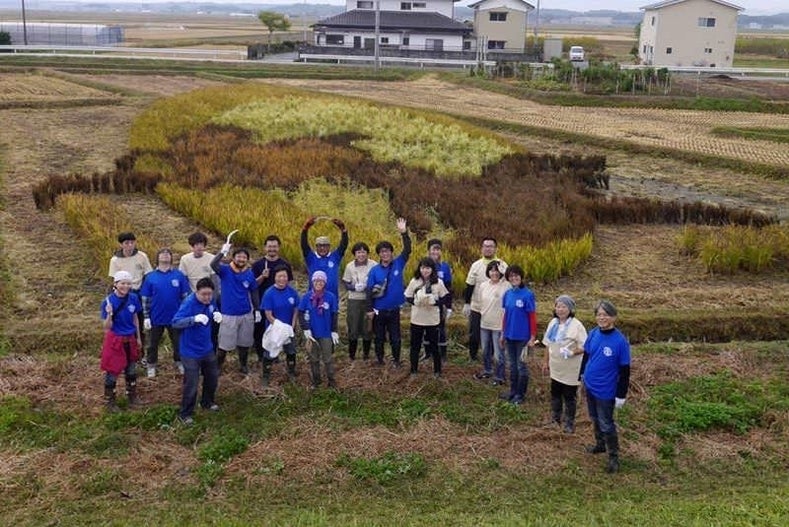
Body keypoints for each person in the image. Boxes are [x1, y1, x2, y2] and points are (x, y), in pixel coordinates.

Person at [580, 300, 631, 473]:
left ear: (613, 317)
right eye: (599, 315)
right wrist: (582, 374)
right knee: (594, 418)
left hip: (606, 391)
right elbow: (587, 355)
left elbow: (625, 371)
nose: (602, 318)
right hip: (590, 385)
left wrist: (621, 395)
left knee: (606, 423)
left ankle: (613, 457)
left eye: (606, 315)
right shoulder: (593, 333)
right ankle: (600, 444)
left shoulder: (620, 341)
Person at [171, 277, 223, 425]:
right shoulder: (188, 303)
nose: (207, 297)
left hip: (207, 348)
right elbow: (175, 322)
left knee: (212, 377)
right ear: (196, 292)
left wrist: (217, 314)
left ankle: (207, 402)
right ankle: (185, 413)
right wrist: (193, 319)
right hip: (190, 352)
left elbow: (213, 310)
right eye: (203, 294)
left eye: (209, 294)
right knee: (192, 383)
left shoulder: (211, 301)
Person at [140, 248, 192, 378]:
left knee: (178, 342)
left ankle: (179, 362)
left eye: (168, 253)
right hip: (155, 317)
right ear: (157, 258)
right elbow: (146, 298)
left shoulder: (179, 275)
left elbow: (185, 297)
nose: (165, 255)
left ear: (171, 258)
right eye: (162, 253)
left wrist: (184, 314)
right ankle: (151, 364)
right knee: (152, 344)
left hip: (176, 317)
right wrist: (146, 317)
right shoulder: (150, 277)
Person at [366, 218, 411, 368]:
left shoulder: (398, 263)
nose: (385, 254)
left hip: (394, 309)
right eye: (382, 252)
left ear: (392, 253)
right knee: (379, 337)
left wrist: (404, 233)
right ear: (379, 254)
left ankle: (396, 361)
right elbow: (369, 291)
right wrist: (369, 309)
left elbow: (407, 250)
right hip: (379, 310)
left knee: (395, 337)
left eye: (387, 251)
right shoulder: (374, 270)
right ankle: (380, 360)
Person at [210, 242, 259, 374]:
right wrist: (222, 252)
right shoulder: (225, 270)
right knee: (224, 346)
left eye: (244, 257)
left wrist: (258, 309)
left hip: (246, 314)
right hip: (228, 314)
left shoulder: (249, 273)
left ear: (247, 260)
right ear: (233, 258)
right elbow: (213, 265)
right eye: (239, 257)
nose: (241, 259)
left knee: (244, 344)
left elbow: (254, 291)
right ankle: (218, 367)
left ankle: (243, 366)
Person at [541, 295, 588, 433]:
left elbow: (586, 346)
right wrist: (545, 362)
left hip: (571, 369)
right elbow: (548, 344)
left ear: (570, 309)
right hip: (556, 367)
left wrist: (572, 352)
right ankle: (555, 419)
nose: (560, 310)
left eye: (564, 307)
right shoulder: (553, 323)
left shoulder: (577, 326)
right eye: (558, 306)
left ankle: (569, 423)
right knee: (555, 393)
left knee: (569, 395)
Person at [100, 270, 143, 412]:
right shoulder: (108, 302)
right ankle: (110, 401)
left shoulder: (133, 298)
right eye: (123, 283)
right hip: (115, 340)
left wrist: (138, 337)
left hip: (130, 338)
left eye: (128, 283)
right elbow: (107, 327)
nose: (126, 286)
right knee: (113, 371)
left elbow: (135, 318)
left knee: (131, 369)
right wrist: (109, 314)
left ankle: (132, 396)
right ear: (116, 284)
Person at [404, 257, 451, 378]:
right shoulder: (414, 281)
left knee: (434, 346)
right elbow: (408, 296)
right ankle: (413, 370)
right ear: (419, 268)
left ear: (432, 269)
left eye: (428, 268)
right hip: (417, 319)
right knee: (415, 346)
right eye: (423, 268)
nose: (425, 271)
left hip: (432, 320)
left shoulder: (438, 282)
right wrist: (415, 302)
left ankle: (437, 371)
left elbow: (445, 297)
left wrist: (435, 302)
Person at [462, 237, 507, 362]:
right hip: (477, 306)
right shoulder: (476, 265)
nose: (488, 249)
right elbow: (469, 285)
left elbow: (509, 284)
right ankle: (473, 356)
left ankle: (491, 357)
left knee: (494, 334)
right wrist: (467, 303)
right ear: (481, 248)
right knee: (474, 334)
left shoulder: (502, 265)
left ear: (495, 248)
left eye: (491, 246)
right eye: (485, 246)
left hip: (495, 308)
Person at [498, 265, 536, 405]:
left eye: (516, 275)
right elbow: (505, 315)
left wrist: (532, 336)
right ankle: (513, 391)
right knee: (512, 365)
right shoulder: (507, 294)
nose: (514, 278)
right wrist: (503, 333)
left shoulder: (528, 294)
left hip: (523, 337)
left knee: (521, 366)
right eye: (511, 276)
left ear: (521, 277)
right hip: (509, 335)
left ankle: (520, 394)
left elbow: (532, 317)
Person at [252, 235, 293, 364]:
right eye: (269, 247)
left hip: (280, 304)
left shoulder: (285, 264)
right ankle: (262, 356)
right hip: (262, 303)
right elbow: (253, 285)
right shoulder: (258, 265)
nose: (272, 249)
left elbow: (288, 284)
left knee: (278, 329)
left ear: (278, 247)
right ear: (265, 248)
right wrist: (262, 277)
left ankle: (276, 354)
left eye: (274, 246)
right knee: (261, 329)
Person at [108, 231, 152, 349]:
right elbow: (114, 279)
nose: (130, 245)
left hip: (140, 291)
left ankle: (140, 349)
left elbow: (148, 274)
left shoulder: (142, 256)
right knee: (126, 321)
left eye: (132, 242)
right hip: (125, 293)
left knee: (140, 322)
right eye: (127, 243)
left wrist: (145, 291)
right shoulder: (115, 260)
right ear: (121, 244)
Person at [260, 265, 300, 388]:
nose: (282, 279)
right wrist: (280, 327)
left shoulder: (292, 292)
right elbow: (268, 314)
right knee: (269, 353)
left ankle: (291, 372)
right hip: (274, 328)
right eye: (279, 276)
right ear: (275, 277)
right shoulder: (269, 293)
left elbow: (296, 310)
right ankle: (266, 376)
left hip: (288, 329)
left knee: (291, 351)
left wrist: (292, 325)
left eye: (284, 276)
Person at [299, 271, 340, 389]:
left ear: (325, 282)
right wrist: (305, 328)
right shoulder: (306, 297)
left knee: (327, 358)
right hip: (311, 333)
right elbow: (301, 313)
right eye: (316, 280)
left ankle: (331, 381)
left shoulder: (330, 297)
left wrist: (334, 330)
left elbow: (334, 314)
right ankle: (316, 381)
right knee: (313, 358)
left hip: (326, 332)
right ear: (312, 282)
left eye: (321, 281)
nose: (319, 283)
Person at [473, 260, 510, 385]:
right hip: (484, 323)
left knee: (498, 353)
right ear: (488, 272)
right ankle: (487, 370)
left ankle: (500, 376)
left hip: (498, 325)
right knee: (485, 350)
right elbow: (480, 302)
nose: (494, 273)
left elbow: (512, 280)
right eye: (492, 270)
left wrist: (504, 269)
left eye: (497, 271)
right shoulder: (483, 285)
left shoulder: (505, 285)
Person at [342, 241, 377, 361]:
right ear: (354, 254)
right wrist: (354, 287)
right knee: (353, 326)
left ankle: (366, 355)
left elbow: (379, 280)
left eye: (363, 252)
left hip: (369, 299)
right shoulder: (350, 266)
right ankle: (352, 355)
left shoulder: (373, 265)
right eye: (358, 252)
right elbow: (346, 283)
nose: (361, 255)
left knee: (367, 327)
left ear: (367, 253)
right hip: (354, 300)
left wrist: (369, 287)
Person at [300, 216, 349, 300]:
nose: (322, 248)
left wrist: (343, 230)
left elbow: (343, 245)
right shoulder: (311, 258)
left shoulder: (335, 257)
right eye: (320, 246)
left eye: (325, 245)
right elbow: (304, 245)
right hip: (314, 299)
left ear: (329, 246)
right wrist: (305, 229)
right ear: (316, 247)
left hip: (332, 299)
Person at [423, 239, 453, 363]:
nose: (436, 252)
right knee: (426, 328)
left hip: (440, 304)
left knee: (440, 329)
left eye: (438, 249)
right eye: (433, 249)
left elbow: (449, 287)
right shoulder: (423, 265)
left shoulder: (445, 266)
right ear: (428, 250)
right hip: (425, 303)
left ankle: (443, 355)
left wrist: (449, 306)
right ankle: (427, 353)